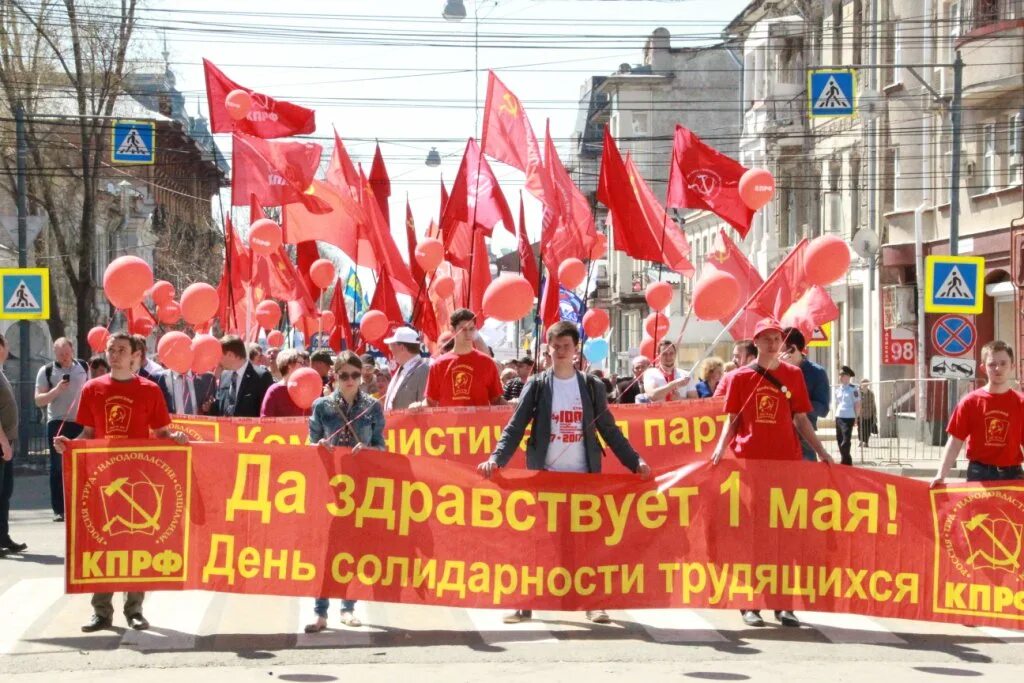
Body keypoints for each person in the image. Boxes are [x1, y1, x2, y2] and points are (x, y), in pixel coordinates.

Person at [479, 321, 651, 625]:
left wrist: (634, 461)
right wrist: (497, 458)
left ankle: (593, 603)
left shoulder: (590, 386)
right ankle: (525, 603)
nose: (560, 352)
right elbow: (516, 427)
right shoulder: (538, 385)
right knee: (538, 541)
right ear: (548, 348)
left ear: (575, 350)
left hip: (583, 476)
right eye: (555, 346)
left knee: (586, 543)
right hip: (546, 475)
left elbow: (608, 429)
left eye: (566, 347)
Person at [53, 332, 189, 633]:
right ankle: (101, 611)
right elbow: (87, 435)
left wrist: (176, 437)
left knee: (136, 540)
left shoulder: (150, 390)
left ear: (135, 356)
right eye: (111, 349)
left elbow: (162, 432)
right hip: (104, 478)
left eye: (121, 350)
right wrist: (69, 444)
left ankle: (135, 609)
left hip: (140, 478)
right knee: (102, 541)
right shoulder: (92, 389)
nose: (114, 355)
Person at [711, 318, 834, 629]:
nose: (770, 343)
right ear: (756, 342)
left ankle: (783, 604)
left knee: (784, 536)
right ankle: (748, 604)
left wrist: (821, 451)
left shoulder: (793, 376)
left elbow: (801, 420)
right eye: (764, 338)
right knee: (751, 536)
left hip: (786, 464)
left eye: (775, 338)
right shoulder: (740, 378)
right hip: (750, 464)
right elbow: (733, 419)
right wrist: (719, 449)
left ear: (781, 341)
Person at [305, 351, 386, 633]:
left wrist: (368, 450)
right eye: (344, 375)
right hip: (329, 486)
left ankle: (348, 607)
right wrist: (319, 446)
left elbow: (382, 447)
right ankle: (320, 612)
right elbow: (309, 444)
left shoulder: (372, 408)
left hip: (360, 487)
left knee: (352, 549)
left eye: (356, 375)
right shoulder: (322, 406)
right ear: (335, 376)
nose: (351, 380)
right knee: (325, 550)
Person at [931, 340, 1024, 486]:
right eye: (992, 364)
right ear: (983, 367)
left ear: (1012, 366)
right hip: (979, 473)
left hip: (1013, 474)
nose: (998, 368)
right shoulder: (970, 402)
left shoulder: (1021, 402)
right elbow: (955, 442)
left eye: (1003, 363)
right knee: (979, 510)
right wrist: (941, 474)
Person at [35, 337, 89, 522]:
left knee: (83, 464)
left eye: (66, 354)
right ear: (54, 354)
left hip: (81, 421)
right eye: (60, 355)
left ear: (72, 350)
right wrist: (56, 390)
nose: (64, 358)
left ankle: (83, 503)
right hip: (58, 422)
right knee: (58, 466)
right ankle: (59, 508)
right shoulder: (47, 371)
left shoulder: (83, 366)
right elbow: (38, 400)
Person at [421, 309, 505, 408]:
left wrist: (515, 405)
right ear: (453, 330)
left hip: (479, 423)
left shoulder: (487, 363)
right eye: (463, 329)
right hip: (448, 423)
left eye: (471, 329)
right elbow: (430, 402)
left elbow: (496, 400)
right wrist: (418, 406)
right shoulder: (438, 365)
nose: (468, 334)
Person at [781, 328, 831, 462]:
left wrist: (799, 404)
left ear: (792, 349)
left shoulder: (817, 373)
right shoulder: (777, 369)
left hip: (804, 436)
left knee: (805, 478)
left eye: (780, 347)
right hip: (779, 433)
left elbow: (823, 408)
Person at [0, 333, 22, 558]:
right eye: (5, 345)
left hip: (6, 441)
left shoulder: (1, 372)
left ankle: (3, 537)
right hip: (1, 442)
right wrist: (4, 442)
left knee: (5, 492)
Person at [213, 335, 273, 417]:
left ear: (230, 355)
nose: (218, 360)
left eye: (220, 356)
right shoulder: (224, 376)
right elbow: (220, 406)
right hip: (225, 428)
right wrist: (209, 407)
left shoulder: (261, 377)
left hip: (250, 429)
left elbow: (266, 412)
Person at [382, 327, 429, 411]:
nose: (390, 349)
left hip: (411, 424)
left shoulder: (424, 370)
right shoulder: (401, 369)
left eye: (392, 346)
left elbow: (425, 409)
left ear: (402, 348)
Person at [260, 350, 313, 417]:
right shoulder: (274, 391)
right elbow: (265, 419)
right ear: (289, 365)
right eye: (301, 363)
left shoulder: (305, 389)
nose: (303, 366)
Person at [832, 366, 861, 466]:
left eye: (843, 375)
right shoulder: (838, 390)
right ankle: (845, 461)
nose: (840, 377)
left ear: (848, 377)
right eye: (840, 375)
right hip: (839, 416)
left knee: (845, 441)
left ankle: (847, 461)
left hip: (849, 417)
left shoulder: (854, 389)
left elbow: (857, 404)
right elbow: (838, 403)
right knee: (839, 439)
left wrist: (856, 418)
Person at [858, 378, 877, 447]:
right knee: (860, 428)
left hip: (869, 414)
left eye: (866, 383)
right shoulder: (858, 392)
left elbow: (873, 404)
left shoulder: (871, 393)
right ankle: (860, 441)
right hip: (860, 414)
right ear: (861, 384)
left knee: (867, 429)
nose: (865, 385)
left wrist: (874, 415)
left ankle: (866, 442)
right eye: (864, 383)